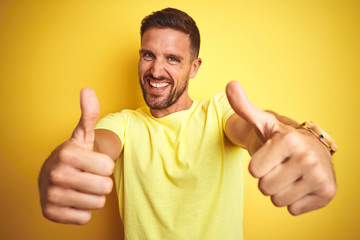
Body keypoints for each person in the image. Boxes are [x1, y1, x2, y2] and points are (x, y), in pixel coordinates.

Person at [38, 8, 337, 239]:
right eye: (148, 55)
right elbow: (96, 147)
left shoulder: (219, 111)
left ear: (194, 67)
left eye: (172, 59)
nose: (156, 70)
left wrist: (307, 139)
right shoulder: (123, 124)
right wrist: (63, 164)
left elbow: (256, 131)